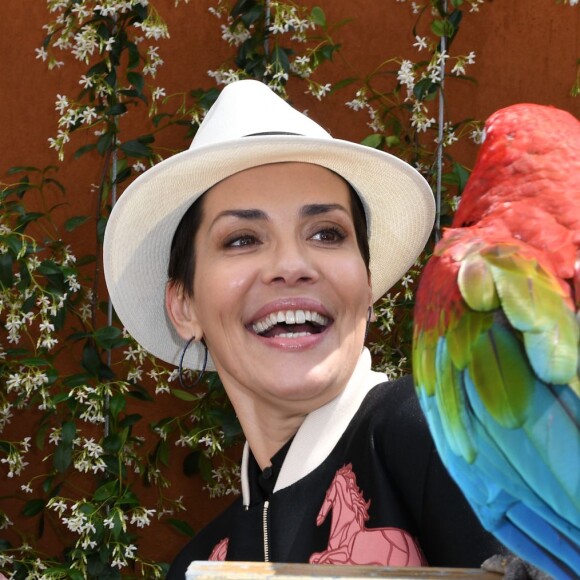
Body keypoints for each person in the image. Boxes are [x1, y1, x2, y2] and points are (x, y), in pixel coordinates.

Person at [103, 80, 504, 577]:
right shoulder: (201, 563)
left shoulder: (436, 431)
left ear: (366, 286)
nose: (291, 264)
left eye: (327, 233)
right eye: (242, 239)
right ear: (184, 307)